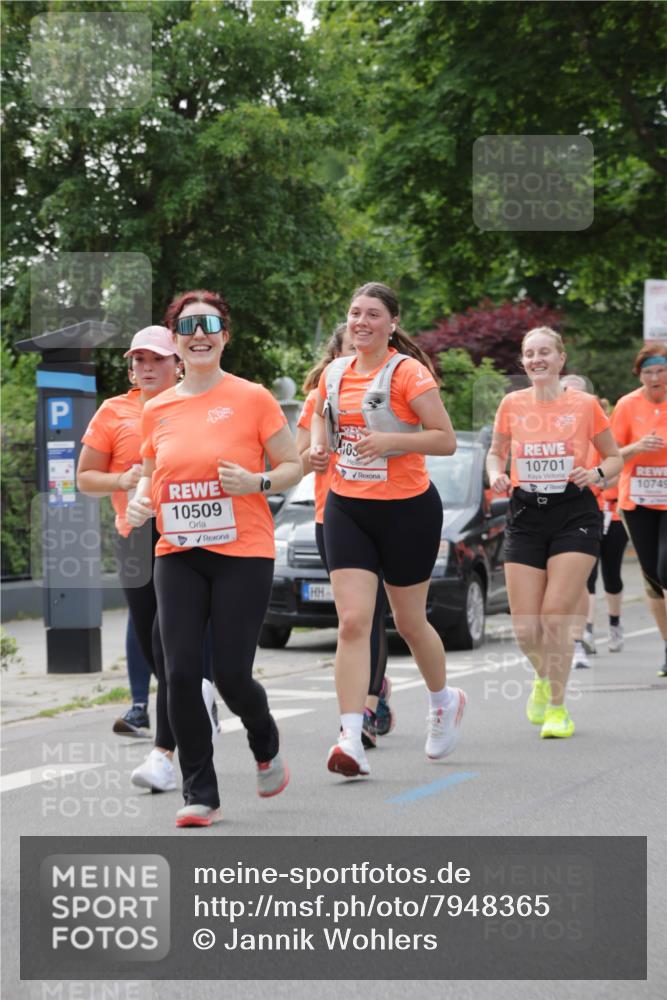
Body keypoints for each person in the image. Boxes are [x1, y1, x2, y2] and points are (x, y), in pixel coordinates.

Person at [127, 289, 302, 827]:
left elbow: (292, 466)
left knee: (230, 675)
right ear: (176, 341)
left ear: (224, 337)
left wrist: (256, 481)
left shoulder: (253, 398)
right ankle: (200, 792)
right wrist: (140, 500)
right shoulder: (156, 408)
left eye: (209, 326)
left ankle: (263, 736)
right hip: (178, 552)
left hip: (242, 552)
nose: (198, 334)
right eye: (187, 326)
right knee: (179, 672)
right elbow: (151, 473)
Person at [309, 282, 462, 779]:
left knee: (409, 622)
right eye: (355, 313)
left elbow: (445, 440)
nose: (361, 322)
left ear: (392, 324)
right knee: (353, 622)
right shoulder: (334, 372)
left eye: (373, 314)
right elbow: (321, 416)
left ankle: (443, 702)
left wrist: (391, 441)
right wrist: (317, 448)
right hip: (347, 507)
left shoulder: (408, 372)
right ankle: (351, 737)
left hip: (407, 510)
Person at [78, 326, 221, 793]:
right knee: (152, 644)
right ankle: (195, 702)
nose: (146, 367)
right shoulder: (113, 412)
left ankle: (165, 753)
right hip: (136, 534)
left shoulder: (198, 404)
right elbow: (85, 478)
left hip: (189, 533)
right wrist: (123, 481)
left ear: (178, 363)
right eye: (139, 360)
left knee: (172, 643)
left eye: (157, 359)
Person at [486, 328, 622, 738]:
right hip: (526, 514)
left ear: (561, 359)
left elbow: (614, 458)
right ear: (523, 361)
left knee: (554, 615)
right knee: (526, 629)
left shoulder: (584, 405)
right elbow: (496, 452)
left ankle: (559, 709)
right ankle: (544, 678)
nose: (536, 359)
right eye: (529, 353)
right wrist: (495, 474)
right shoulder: (512, 404)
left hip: (574, 512)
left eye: (545, 352)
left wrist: (595, 473)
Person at [296, 324, 395, 749]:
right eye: (348, 349)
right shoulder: (317, 399)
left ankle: (367, 709)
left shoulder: (390, 391)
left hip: (385, 511)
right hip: (333, 515)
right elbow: (297, 460)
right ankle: (370, 689)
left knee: (371, 616)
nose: (355, 355)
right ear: (334, 358)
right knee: (352, 618)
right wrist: (315, 455)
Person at [559, 378, 628, 668]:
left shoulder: (599, 428)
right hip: (568, 515)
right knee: (582, 577)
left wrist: (596, 477)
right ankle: (582, 634)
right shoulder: (547, 428)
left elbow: (615, 468)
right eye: (566, 390)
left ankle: (614, 623)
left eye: (577, 392)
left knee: (611, 574)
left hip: (607, 511)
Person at [611, 343, 667, 677]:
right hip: (638, 501)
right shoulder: (627, 405)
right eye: (648, 372)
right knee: (653, 580)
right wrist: (638, 446)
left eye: (661, 370)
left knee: (666, 567)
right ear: (639, 375)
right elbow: (611, 454)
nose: (655, 377)